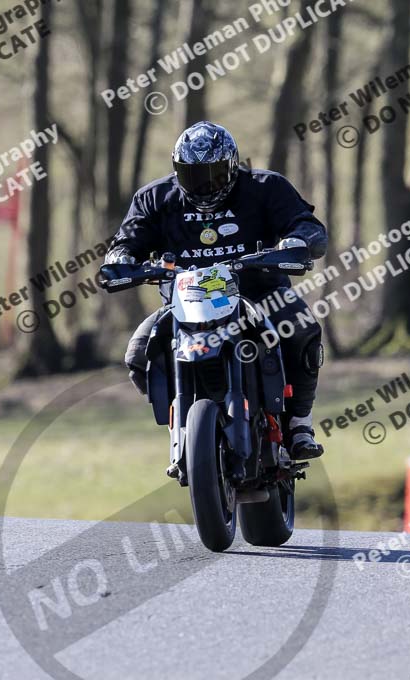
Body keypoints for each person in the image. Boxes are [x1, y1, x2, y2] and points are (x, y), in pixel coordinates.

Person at [105, 121, 327, 460]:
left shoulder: (267, 188)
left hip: (260, 293)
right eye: (193, 175)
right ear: (177, 171)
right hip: (184, 303)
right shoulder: (154, 198)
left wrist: (297, 241)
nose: (205, 186)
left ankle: (299, 423)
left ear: (233, 166)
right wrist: (121, 258)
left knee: (303, 332)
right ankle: (181, 424)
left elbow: (308, 226)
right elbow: (128, 240)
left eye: (214, 175)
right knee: (137, 356)